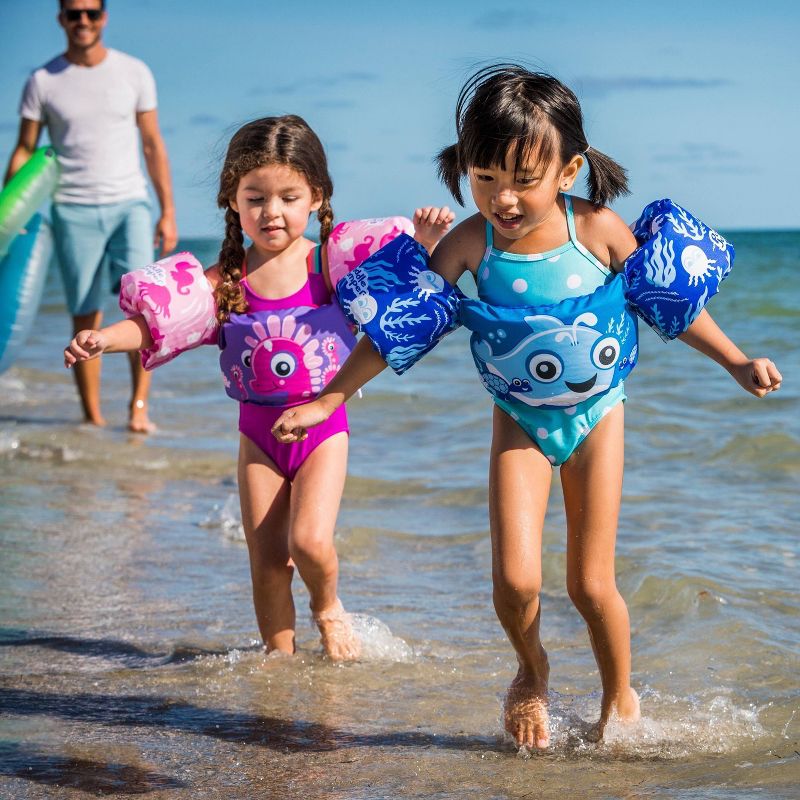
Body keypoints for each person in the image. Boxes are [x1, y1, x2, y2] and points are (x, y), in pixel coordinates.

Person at [271, 67, 782, 739]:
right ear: (464, 170)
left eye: (522, 180)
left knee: (591, 586)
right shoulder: (466, 243)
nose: (503, 198)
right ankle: (531, 670)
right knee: (515, 581)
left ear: (567, 171)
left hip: (598, 418)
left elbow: (672, 306)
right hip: (519, 419)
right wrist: (329, 396)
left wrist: (736, 360)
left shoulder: (597, 229)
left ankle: (619, 701)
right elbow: (401, 325)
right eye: (484, 178)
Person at [63, 115, 454, 660]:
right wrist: (103, 338)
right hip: (257, 435)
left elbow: (402, 292)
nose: (272, 212)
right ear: (233, 200)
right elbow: (157, 325)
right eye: (256, 198)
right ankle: (280, 666)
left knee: (309, 540)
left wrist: (428, 243)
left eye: (289, 197)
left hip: (322, 428)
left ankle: (327, 607)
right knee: (267, 560)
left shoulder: (331, 265)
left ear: (316, 197)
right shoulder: (224, 280)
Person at [4, 0, 177, 432]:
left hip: (130, 203)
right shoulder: (42, 80)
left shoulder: (133, 71)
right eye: (74, 13)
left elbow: (152, 143)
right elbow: (25, 149)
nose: (84, 20)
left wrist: (167, 211)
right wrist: (11, 209)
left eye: (92, 12)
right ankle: (93, 418)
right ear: (61, 18)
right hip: (72, 207)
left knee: (145, 308)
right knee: (84, 313)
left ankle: (139, 409)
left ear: (104, 17)